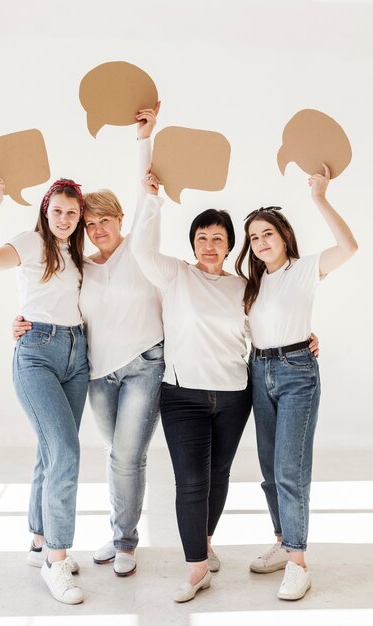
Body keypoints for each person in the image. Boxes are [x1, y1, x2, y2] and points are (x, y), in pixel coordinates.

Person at [13, 105, 164, 578]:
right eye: (89, 223)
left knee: (126, 455)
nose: (97, 229)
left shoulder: (140, 249)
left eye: (105, 220)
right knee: (103, 453)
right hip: (96, 371)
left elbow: (148, 193)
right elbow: (49, 298)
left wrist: (145, 136)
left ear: (120, 219)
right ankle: (49, 538)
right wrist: (22, 322)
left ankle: (124, 541)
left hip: (144, 365)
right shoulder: (82, 269)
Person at [235, 164, 358, 600]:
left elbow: (350, 246)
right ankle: (284, 540)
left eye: (267, 233)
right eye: (253, 237)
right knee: (269, 471)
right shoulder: (249, 285)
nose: (261, 242)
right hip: (258, 371)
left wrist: (319, 198)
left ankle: (298, 562)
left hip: (296, 373)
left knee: (290, 469)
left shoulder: (306, 269)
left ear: (284, 236)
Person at [131, 168, 252, 602]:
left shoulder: (244, 287)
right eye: (202, 237)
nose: (209, 245)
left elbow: (269, 325)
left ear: (230, 244)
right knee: (191, 482)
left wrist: (306, 338)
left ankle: (206, 542)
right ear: (193, 243)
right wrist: (152, 200)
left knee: (219, 474)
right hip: (183, 395)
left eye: (218, 237)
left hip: (236, 395)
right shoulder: (176, 275)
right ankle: (196, 567)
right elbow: (141, 249)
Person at [0, 168, 89, 604]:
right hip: (37, 353)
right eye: (57, 211)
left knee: (52, 451)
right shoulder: (32, 242)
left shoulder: (77, 253)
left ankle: (40, 540)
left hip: (77, 355)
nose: (64, 218)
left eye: (72, 212)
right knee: (65, 450)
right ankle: (56, 560)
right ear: (46, 211)